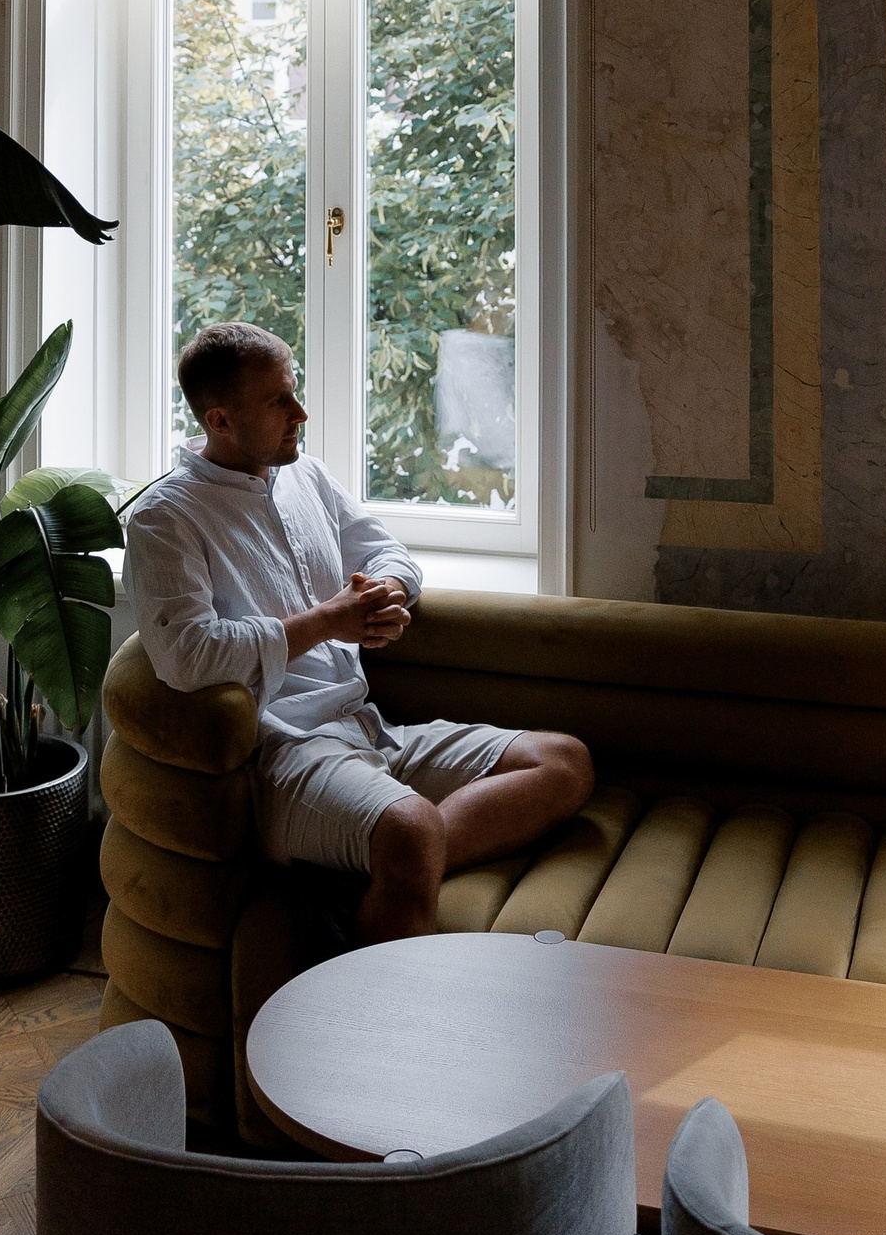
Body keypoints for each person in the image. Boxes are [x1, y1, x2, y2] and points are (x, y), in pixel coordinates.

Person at [124, 321, 594, 943]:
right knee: (410, 830)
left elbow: (388, 553)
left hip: (369, 728)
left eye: (294, 390)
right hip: (288, 752)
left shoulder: (308, 477)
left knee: (564, 762)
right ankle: (399, 864)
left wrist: (384, 594)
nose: (301, 412)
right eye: (278, 401)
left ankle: (388, 866)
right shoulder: (165, 518)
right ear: (220, 420)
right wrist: (329, 620)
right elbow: (187, 656)